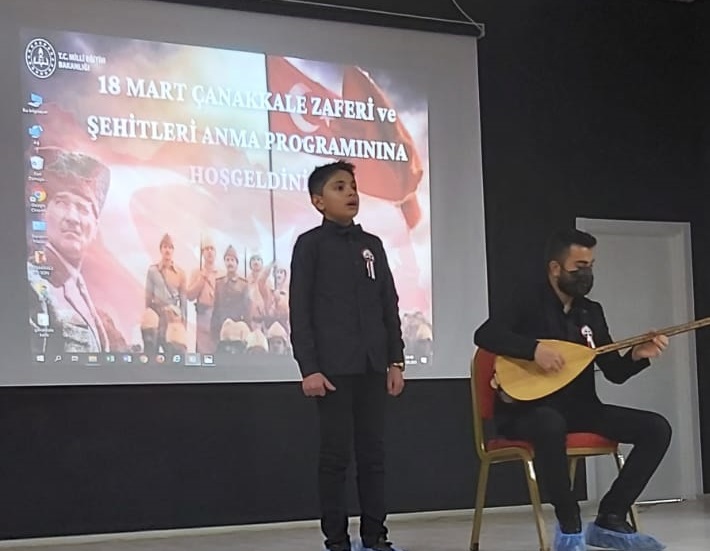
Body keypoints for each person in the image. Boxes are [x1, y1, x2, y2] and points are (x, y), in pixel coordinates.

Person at [473, 228, 671, 551]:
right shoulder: (526, 301)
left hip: (581, 409)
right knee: (550, 422)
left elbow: (614, 372)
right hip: (527, 411)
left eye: (591, 265)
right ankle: (569, 525)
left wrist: (638, 356)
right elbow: (485, 335)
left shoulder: (591, 312)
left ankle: (610, 516)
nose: (587, 273)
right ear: (555, 268)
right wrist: (533, 350)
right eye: (579, 266)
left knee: (656, 428)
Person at [289, 160, 406, 551]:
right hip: (333, 370)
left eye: (352, 186)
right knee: (335, 457)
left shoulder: (372, 245)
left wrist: (395, 360)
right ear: (318, 201)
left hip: (373, 366)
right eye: (339, 187)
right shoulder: (310, 245)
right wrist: (309, 368)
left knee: (373, 456)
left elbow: (388, 304)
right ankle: (336, 539)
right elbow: (300, 310)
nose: (351, 193)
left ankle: (376, 536)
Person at [28, 146, 127, 354]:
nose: (73, 218)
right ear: (44, 212)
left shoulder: (81, 292)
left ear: (95, 227)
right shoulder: (33, 282)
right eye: (62, 203)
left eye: (83, 208)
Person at [143, 233, 187, 356]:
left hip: (173, 318)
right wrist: (149, 316)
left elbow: (183, 301)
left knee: (175, 355)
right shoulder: (153, 271)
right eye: (165, 247)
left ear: (173, 250)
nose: (167, 250)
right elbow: (148, 296)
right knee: (152, 354)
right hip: (157, 315)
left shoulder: (180, 273)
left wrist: (183, 323)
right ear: (161, 249)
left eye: (170, 247)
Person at [187, 234, 219, 354]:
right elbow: (190, 295)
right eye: (206, 249)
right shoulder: (196, 273)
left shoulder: (221, 273)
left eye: (212, 249)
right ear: (202, 253)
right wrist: (202, 278)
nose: (209, 252)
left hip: (217, 315)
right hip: (203, 315)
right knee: (203, 349)